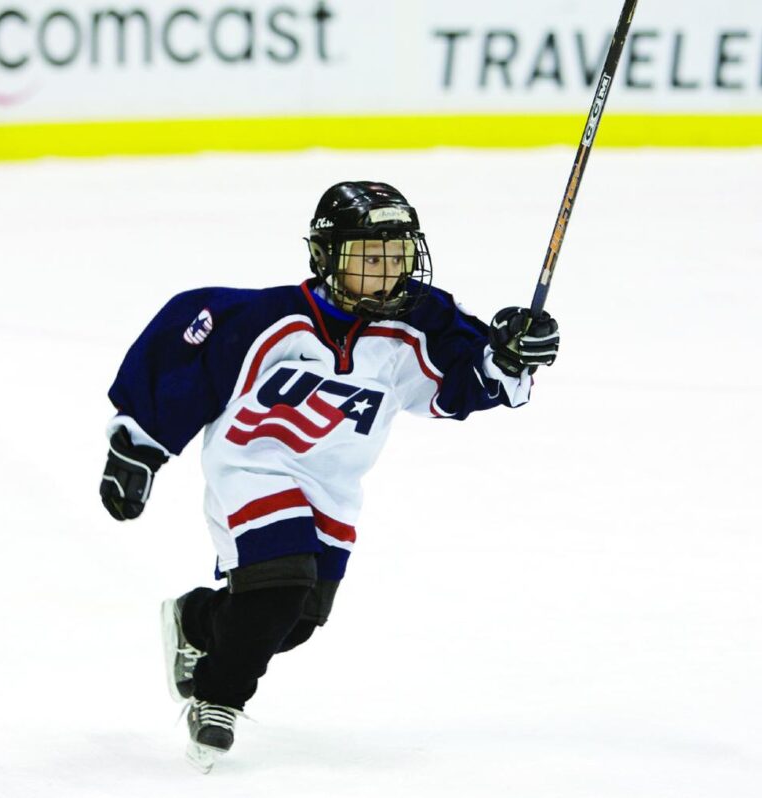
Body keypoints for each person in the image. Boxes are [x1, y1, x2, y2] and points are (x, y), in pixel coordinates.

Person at [99, 181, 559, 772]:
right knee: (280, 587)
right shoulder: (264, 320)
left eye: (396, 257)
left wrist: (508, 356)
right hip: (254, 467)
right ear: (327, 255)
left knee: (294, 621)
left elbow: (462, 381)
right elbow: (184, 363)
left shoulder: (421, 320)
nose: (386, 272)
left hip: (332, 487)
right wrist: (137, 450)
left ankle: (198, 619)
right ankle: (218, 700)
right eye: (369, 256)